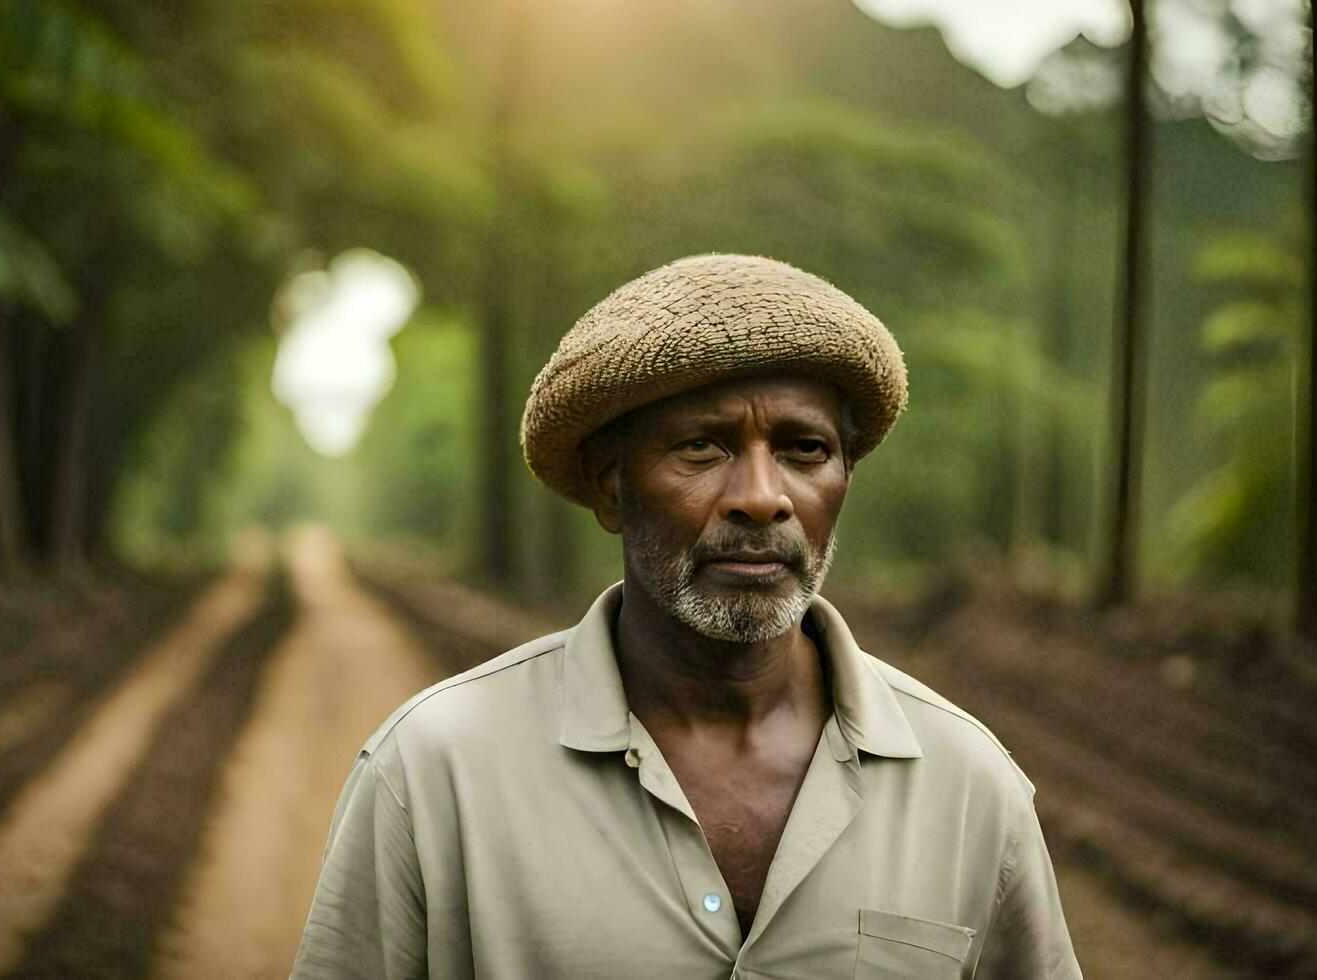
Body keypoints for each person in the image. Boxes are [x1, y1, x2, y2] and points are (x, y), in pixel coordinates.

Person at [290, 253, 1082, 979]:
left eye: (805, 450)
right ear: (610, 489)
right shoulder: (432, 773)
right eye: (703, 448)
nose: (763, 497)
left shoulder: (970, 786)